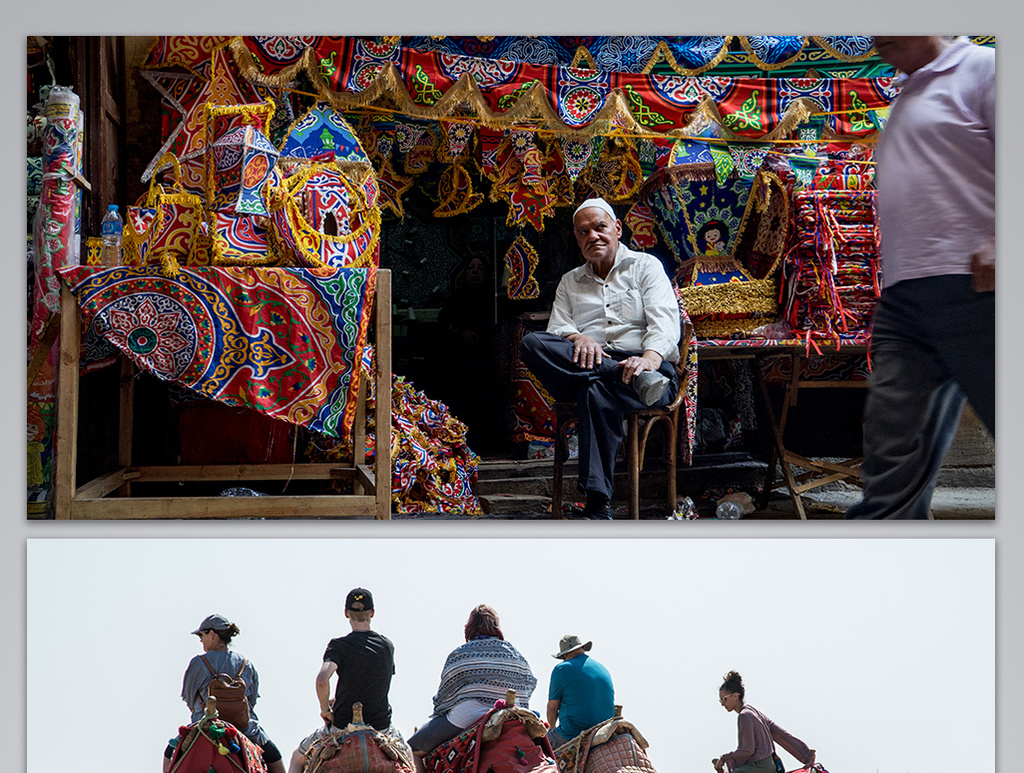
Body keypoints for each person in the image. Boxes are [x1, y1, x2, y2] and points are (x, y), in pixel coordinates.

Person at [846, 36, 994, 520]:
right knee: (892, 452)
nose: (876, 34)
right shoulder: (907, 94)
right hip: (905, 301)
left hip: (979, 292)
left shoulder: (983, 68)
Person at [520, 197, 682, 519]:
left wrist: (647, 360)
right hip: (600, 367)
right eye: (583, 232)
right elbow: (558, 329)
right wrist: (578, 337)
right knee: (532, 343)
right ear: (577, 239)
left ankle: (597, 506)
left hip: (650, 369)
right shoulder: (570, 281)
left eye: (600, 227)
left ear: (617, 229)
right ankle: (614, 371)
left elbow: (664, 321)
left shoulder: (645, 267)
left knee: (593, 391)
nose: (592, 236)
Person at [288, 588, 408, 773]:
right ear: (372, 613)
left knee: (297, 757)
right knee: (408, 755)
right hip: (382, 727)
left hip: (342, 726)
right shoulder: (387, 646)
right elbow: (375, 682)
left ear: (346, 613)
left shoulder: (339, 645)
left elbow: (322, 680)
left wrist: (325, 710)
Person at [408, 604, 537, 772]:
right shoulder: (516, 655)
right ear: (496, 627)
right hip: (512, 715)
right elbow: (529, 686)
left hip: (467, 717)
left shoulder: (461, 653)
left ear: (469, 627)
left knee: (410, 750)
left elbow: (445, 695)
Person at [164, 614, 285, 773]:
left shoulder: (198, 663)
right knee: (274, 757)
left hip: (204, 724)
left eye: (202, 635)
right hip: (245, 728)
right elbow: (251, 701)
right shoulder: (245, 664)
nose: (200, 639)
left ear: (212, 634)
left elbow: (189, 700)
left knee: (169, 753)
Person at [712, 671, 815, 773]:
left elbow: (747, 750)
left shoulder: (744, 716)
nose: (722, 704)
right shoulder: (753, 711)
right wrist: (805, 754)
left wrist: (724, 758)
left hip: (760, 766)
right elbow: (779, 733)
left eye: (723, 700)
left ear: (735, 696)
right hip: (769, 764)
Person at [545, 634, 615, 749]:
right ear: (583, 648)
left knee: (536, 748)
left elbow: (552, 708)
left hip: (572, 734)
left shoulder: (562, 669)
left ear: (564, 655)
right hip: (604, 730)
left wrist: (551, 730)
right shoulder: (603, 668)